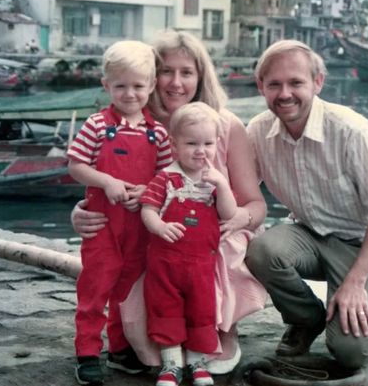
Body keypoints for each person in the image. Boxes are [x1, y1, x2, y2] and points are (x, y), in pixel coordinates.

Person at [70, 30, 268, 375]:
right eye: (167, 72)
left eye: (186, 72)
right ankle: (131, 342)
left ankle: (222, 328)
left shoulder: (226, 125)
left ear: (201, 77)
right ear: (152, 77)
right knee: (141, 337)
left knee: (207, 259)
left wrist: (236, 219)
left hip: (212, 232)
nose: (176, 82)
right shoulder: (140, 122)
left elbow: (256, 204)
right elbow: (104, 174)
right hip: (153, 232)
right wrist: (79, 211)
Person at [245, 40, 368, 370]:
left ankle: (342, 298)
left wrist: (355, 283)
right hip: (306, 236)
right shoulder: (257, 130)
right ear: (261, 86)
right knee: (260, 250)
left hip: (357, 245)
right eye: (274, 84)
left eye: (296, 82)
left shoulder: (351, 130)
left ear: (318, 82)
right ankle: (305, 318)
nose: (285, 94)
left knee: (351, 354)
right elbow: (241, 194)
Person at [66, 40, 173, 385]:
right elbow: (76, 165)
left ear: (151, 85)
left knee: (126, 290)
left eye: (138, 86)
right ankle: (86, 352)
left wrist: (146, 191)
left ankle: (120, 349)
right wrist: (107, 181)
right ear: (106, 85)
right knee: (95, 288)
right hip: (103, 225)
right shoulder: (97, 125)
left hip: (139, 227)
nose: (130, 94)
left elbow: (166, 178)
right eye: (121, 86)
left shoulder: (158, 133)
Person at [141, 102, 237, 386]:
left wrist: (223, 185)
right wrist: (160, 226)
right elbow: (148, 210)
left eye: (208, 143)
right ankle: (171, 365)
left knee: (202, 311)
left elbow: (228, 213)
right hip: (165, 264)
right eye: (192, 143)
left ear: (216, 143)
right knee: (165, 310)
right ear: (174, 145)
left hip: (202, 265)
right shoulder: (165, 178)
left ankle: (197, 363)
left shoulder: (214, 181)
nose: (200, 150)